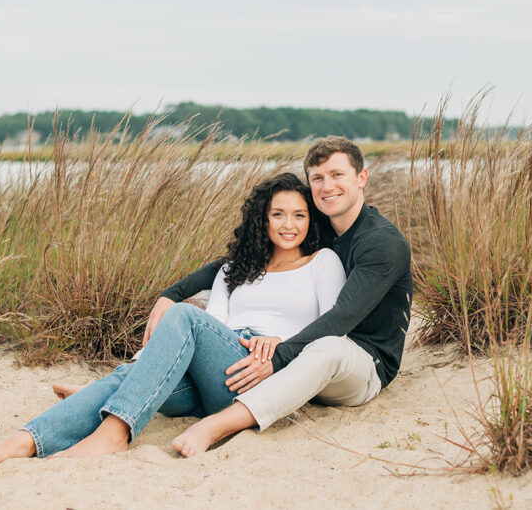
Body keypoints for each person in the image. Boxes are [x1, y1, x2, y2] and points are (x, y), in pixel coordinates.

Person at [0, 172, 345, 464]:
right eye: (277, 214)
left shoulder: (322, 263)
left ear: (312, 220)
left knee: (182, 316)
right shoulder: (236, 268)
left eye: (299, 215)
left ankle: (115, 432)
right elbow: (211, 328)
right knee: (132, 376)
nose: (289, 224)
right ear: (261, 220)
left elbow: (332, 331)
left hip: (262, 371)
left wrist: (281, 345)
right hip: (217, 369)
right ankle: (27, 440)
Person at [161, 136, 413, 457]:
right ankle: (112, 394)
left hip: (363, 363)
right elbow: (234, 262)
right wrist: (171, 294)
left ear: (361, 178)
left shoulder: (381, 241)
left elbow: (342, 317)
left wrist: (278, 354)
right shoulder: (320, 220)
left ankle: (219, 425)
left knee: (328, 347)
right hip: (301, 364)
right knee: (205, 374)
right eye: (318, 178)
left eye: (337, 175)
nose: (327, 186)